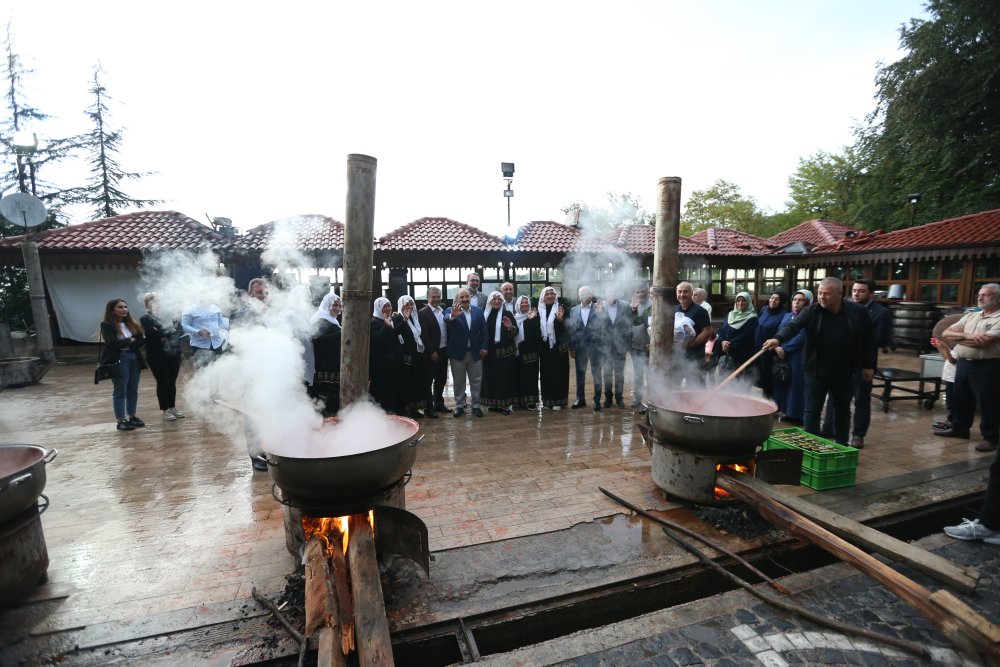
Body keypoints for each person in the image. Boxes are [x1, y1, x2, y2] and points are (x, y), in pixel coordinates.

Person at [763, 277, 876, 447]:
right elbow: (794, 327)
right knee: (812, 410)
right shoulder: (812, 311)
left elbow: (868, 340)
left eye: (827, 294)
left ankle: (841, 445)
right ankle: (813, 446)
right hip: (815, 370)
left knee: (842, 410)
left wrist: (868, 365)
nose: (822, 297)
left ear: (839, 294)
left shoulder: (857, 312)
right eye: (820, 293)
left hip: (845, 370)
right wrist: (778, 339)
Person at [821, 279, 894, 448]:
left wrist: (853, 341)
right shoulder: (843, 308)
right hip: (839, 362)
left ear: (871, 294)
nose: (856, 294)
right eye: (854, 290)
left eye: (861, 291)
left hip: (862, 364)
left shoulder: (881, 313)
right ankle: (829, 427)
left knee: (861, 399)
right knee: (834, 396)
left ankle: (858, 434)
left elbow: (881, 339)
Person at [938, 283, 1000, 453]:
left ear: (998, 298)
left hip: (988, 366)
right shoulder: (972, 316)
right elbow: (946, 333)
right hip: (964, 363)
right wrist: (967, 335)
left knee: (988, 403)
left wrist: (958, 338)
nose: (980, 298)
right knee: (961, 399)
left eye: (986, 295)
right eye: (979, 294)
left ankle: (990, 438)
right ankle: (960, 428)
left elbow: (983, 343)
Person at [99, 298, 148, 431]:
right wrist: (129, 340)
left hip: (133, 357)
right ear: (112, 310)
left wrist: (128, 343)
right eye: (120, 307)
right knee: (120, 390)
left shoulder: (131, 323)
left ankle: (132, 416)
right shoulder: (107, 325)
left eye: (125, 307)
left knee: (133, 389)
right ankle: (121, 420)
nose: (124, 309)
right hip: (119, 359)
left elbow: (140, 341)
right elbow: (112, 343)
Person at [140, 292, 185, 422]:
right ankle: (165, 409)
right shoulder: (146, 318)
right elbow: (154, 334)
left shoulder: (169, 316)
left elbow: (180, 331)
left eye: (159, 301)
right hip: (157, 355)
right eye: (153, 301)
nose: (157, 303)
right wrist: (170, 330)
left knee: (172, 382)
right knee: (163, 382)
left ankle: (172, 407)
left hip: (173, 353)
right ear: (147, 304)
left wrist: (168, 331)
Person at [445, 287, 488, 417]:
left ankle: (475, 406)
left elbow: (485, 332)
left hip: (475, 352)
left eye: (466, 297)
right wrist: (453, 315)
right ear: (457, 299)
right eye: (461, 297)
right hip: (457, 353)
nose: (464, 299)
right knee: (458, 381)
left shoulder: (478, 312)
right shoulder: (450, 310)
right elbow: (446, 319)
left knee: (476, 380)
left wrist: (484, 347)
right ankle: (459, 405)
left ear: (470, 297)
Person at [772, 289, 812, 424]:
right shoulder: (787, 316)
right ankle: (785, 410)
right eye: (795, 300)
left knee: (796, 383)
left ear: (807, 302)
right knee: (783, 380)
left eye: (801, 300)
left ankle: (797, 414)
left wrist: (785, 348)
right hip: (782, 353)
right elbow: (781, 331)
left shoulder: (808, 317)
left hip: (797, 354)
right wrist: (777, 346)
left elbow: (802, 335)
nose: (796, 303)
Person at [568, 285, 608, 411]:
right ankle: (580, 399)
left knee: (596, 373)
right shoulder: (573, 310)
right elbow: (572, 330)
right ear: (579, 296)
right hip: (580, 347)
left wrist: (601, 314)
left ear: (591, 295)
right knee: (580, 374)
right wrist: (572, 347)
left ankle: (596, 401)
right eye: (582, 294)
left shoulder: (598, 308)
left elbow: (605, 327)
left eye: (587, 293)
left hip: (596, 347)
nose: (585, 296)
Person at [481, 291, 518, 414]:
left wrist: (510, 327)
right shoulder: (485, 314)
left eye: (499, 299)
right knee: (490, 378)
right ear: (490, 301)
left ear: (502, 301)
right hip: (489, 353)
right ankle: (493, 404)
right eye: (494, 299)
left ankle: (505, 405)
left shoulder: (507, 314)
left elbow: (515, 331)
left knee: (504, 379)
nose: (496, 301)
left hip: (504, 354)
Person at [392, 295, 428, 418]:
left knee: (415, 384)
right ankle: (405, 410)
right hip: (405, 359)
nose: (410, 307)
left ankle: (414, 409)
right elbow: (395, 332)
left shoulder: (414, 318)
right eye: (407, 304)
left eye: (411, 304)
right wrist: (404, 320)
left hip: (416, 357)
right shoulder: (397, 318)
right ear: (401, 305)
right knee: (406, 385)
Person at [674, 282, 714, 386]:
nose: (682, 295)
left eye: (686, 292)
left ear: (692, 293)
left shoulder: (700, 311)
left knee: (696, 387)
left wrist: (692, 344)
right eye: (680, 292)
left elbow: (707, 331)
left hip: (695, 357)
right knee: (674, 385)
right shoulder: (674, 309)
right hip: (677, 356)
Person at [309, 292, 342, 417]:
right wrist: (341, 334)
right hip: (324, 369)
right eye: (335, 305)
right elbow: (317, 339)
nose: (338, 309)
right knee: (323, 402)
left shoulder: (333, 321)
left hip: (333, 368)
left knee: (332, 402)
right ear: (327, 305)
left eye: (340, 306)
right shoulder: (320, 319)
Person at [417, 286, 449, 415]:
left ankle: (439, 404)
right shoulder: (423, 313)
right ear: (428, 298)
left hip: (443, 350)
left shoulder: (443, 311)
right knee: (429, 380)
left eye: (438, 297)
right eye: (433, 297)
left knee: (441, 379)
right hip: (432, 353)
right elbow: (424, 334)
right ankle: (428, 408)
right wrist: (431, 351)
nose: (436, 299)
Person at [712, 292, 758, 380]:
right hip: (726, 353)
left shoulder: (752, 318)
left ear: (748, 302)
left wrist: (729, 344)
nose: (740, 303)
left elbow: (745, 336)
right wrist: (722, 341)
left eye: (744, 301)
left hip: (741, 355)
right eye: (738, 301)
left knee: (739, 381)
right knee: (724, 379)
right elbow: (721, 329)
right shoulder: (730, 314)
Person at [599, 287, 632, 409]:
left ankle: (619, 398)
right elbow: (596, 326)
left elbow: (629, 326)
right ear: (605, 293)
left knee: (619, 374)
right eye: (609, 291)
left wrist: (628, 345)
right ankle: (608, 398)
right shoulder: (600, 305)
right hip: (605, 346)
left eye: (614, 292)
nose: (612, 294)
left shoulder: (625, 306)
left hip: (620, 345)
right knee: (607, 373)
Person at [538, 286, 570, 410]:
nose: (550, 296)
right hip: (545, 348)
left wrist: (561, 321)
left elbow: (569, 328)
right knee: (546, 374)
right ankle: (547, 401)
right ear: (543, 297)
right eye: (547, 294)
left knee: (559, 374)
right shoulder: (539, 310)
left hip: (558, 348)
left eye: (552, 294)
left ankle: (558, 401)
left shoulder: (562, 308)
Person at [754, 291, 788, 399]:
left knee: (769, 378)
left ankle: (770, 401)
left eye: (777, 299)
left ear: (781, 301)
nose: (773, 301)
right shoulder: (764, 310)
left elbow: (782, 332)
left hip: (770, 351)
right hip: (759, 347)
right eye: (772, 298)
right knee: (761, 375)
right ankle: (764, 398)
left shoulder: (784, 315)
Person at [369, 297, 398, 412]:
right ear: (378, 308)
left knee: (389, 390)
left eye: (389, 305)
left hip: (389, 363)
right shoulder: (375, 322)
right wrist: (386, 326)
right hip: (379, 365)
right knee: (379, 391)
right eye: (384, 307)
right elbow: (375, 340)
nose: (387, 309)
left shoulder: (389, 320)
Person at [181, 298, 228, 367]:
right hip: (200, 346)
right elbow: (185, 325)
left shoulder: (215, 308)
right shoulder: (190, 309)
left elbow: (221, 323)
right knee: (202, 372)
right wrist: (197, 332)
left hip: (217, 344)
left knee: (218, 369)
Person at [513, 295, 541, 409]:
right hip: (518, 352)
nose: (524, 304)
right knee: (518, 377)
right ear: (518, 305)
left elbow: (536, 333)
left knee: (531, 378)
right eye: (522, 302)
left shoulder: (534, 317)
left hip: (531, 352)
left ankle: (531, 402)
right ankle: (519, 402)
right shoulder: (514, 317)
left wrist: (531, 320)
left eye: (526, 302)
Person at [629, 284, 652, 407]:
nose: (639, 294)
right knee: (638, 375)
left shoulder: (653, 305)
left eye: (642, 292)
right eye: (637, 292)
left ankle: (650, 401)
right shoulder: (632, 305)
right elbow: (628, 325)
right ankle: (637, 400)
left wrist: (634, 310)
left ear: (647, 293)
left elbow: (641, 322)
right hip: (635, 346)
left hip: (649, 347)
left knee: (650, 375)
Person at [930, 336, 957, 434]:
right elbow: (947, 358)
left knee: (954, 403)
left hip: (955, 379)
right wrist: (939, 347)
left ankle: (953, 424)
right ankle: (949, 422)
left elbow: (953, 361)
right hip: (950, 378)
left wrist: (945, 347)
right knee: (950, 402)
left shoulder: (963, 347)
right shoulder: (957, 347)